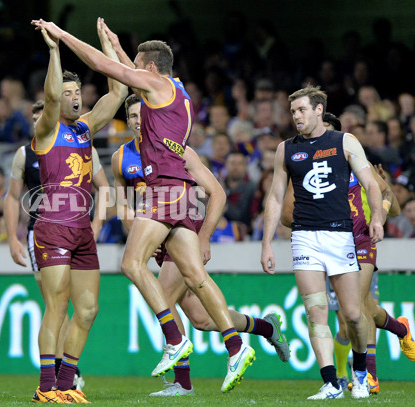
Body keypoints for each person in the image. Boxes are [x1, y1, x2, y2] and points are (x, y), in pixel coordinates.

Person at [32, 17, 255, 393]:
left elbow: (109, 72)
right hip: (182, 192)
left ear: (150, 69)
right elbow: (121, 78)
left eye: (137, 65)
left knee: (131, 264)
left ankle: (174, 339)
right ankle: (235, 345)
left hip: (163, 189)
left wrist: (62, 36)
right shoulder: (178, 88)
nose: (132, 71)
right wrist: (116, 45)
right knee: (196, 276)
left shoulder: (154, 84)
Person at [114, 94, 289, 397]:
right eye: (131, 116)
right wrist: (144, 238)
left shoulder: (177, 150)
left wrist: (204, 236)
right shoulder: (120, 157)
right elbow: (122, 207)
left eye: (142, 115)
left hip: (183, 228)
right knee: (202, 319)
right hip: (156, 235)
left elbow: (217, 193)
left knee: (163, 297)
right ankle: (266, 327)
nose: (137, 121)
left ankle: (184, 381)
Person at [261, 85, 384, 400]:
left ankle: (359, 374)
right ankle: (331, 382)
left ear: (319, 110)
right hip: (304, 237)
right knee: (316, 312)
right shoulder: (285, 149)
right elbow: (275, 198)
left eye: (301, 110)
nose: (296, 117)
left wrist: (377, 219)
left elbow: (371, 183)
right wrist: (266, 242)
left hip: (340, 236)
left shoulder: (345, 142)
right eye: (292, 111)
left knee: (353, 315)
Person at [25, 22, 127, 403]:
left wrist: (107, 47)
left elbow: (117, 90)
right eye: (68, 92)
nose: (74, 98)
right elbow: (49, 101)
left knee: (87, 309)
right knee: (57, 305)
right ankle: (45, 386)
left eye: (78, 92)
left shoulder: (85, 130)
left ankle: (67, 384)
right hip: (52, 226)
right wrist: (54, 51)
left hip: (82, 228)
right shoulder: (46, 129)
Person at [280, 112, 413, 394]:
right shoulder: (310, 173)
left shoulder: (356, 165)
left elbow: (394, 205)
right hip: (323, 243)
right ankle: (398, 330)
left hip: (361, 242)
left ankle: (367, 375)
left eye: (326, 133)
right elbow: (285, 215)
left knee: (358, 309)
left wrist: (379, 214)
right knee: (347, 317)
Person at [3, 100, 110, 391]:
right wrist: (12, 236)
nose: (43, 121)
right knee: (57, 304)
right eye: (38, 118)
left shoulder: (79, 144)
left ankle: (64, 373)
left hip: (77, 231)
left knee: (79, 308)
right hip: (45, 233)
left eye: (45, 116)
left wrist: (97, 223)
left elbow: (104, 186)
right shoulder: (25, 154)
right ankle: (60, 376)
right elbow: (12, 198)